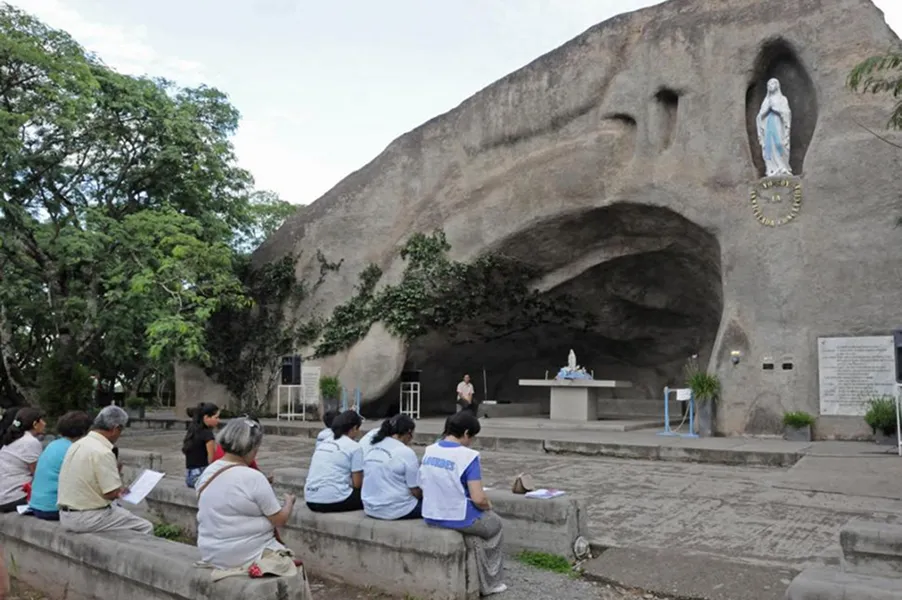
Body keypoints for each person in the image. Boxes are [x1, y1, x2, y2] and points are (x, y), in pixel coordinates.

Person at [419, 411, 506, 596]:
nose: (471, 441)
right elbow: (478, 498)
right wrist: (488, 506)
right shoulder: (468, 456)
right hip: (457, 516)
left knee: (474, 537)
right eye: (472, 437)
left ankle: (480, 576)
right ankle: (492, 582)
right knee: (495, 524)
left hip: (431, 514)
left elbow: (422, 483)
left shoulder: (430, 450)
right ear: (466, 433)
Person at [195, 418, 298, 572]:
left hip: (210, 551)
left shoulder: (208, 472)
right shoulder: (253, 477)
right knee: (290, 565)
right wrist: (289, 502)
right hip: (244, 553)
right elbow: (280, 519)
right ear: (252, 448)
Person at [57, 405, 153, 534]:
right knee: (145, 526)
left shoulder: (78, 444)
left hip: (66, 515)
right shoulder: (103, 452)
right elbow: (110, 493)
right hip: (87, 517)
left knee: (121, 513)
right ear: (116, 428)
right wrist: (124, 491)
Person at [29, 411, 93, 520]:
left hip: (36, 505)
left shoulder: (53, 445)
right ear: (85, 431)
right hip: (54, 508)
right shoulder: (75, 449)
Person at [362, 414, 421, 520]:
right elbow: (415, 490)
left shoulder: (374, 446)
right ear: (408, 432)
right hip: (395, 510)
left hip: (370, 508)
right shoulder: (406, 452)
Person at [305, 410, 364, 513]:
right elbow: (357, 484)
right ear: (354, 428)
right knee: (371, 495)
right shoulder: (355, 447)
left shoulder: (325, 442)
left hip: (310, 499)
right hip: (334, 500)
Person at [0, 408, 45, 512]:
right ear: (35, 424)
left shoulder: (12, 439)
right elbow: (38, 474)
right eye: (42, 420)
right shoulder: (30, 442)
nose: (45, 423)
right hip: (15, 498)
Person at [182, 402, 221, 488]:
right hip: (200, 476)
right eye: (216, 417)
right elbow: (211, 459)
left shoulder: (192, 431)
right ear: (206, 417)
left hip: (190, 476)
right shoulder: (207, 435)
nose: (218, 420)